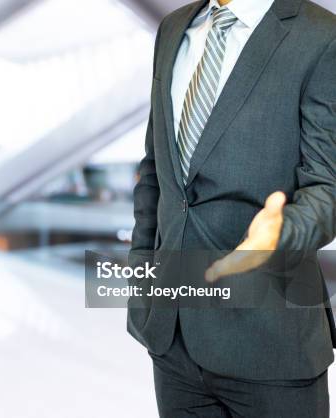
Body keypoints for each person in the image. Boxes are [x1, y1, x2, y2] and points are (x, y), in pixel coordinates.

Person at [128, 0, 336, 416]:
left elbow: (327, 186)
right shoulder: (172, 28)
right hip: (173, 340)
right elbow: (156, 173)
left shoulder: (320, 35)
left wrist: (282, 232)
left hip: (270, 338)